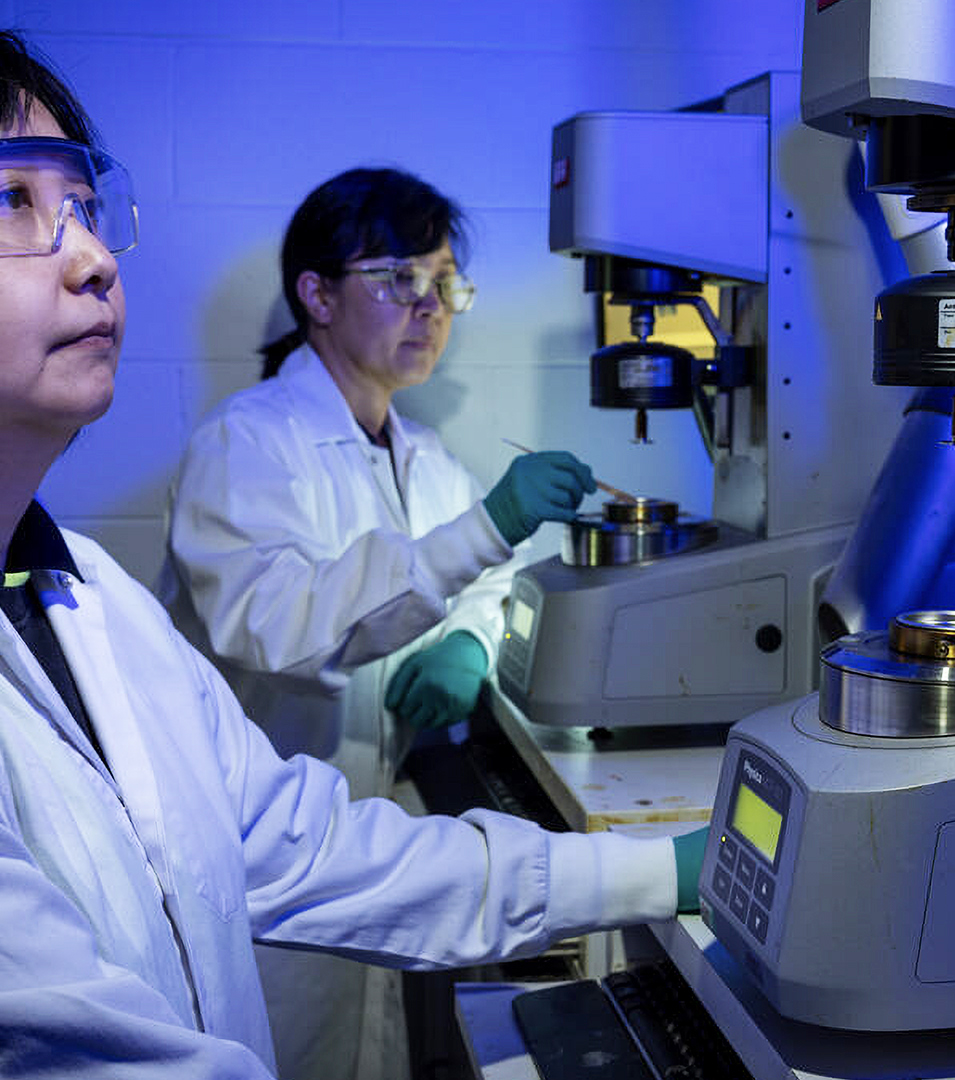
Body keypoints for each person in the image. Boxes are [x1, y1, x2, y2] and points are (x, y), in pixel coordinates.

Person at [0, 25, 700, 1079]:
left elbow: (312, 849)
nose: (94, 258)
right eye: (7, 196)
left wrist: (661, 873)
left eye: (86, 206)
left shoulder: (74, 591)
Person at [156, 167, 604, 1079]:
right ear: (315, 294)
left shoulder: (421, 455)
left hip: (369, 841)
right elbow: (278, 625)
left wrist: (472, 642)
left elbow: (487, 580)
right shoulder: (246, 444)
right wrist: (486, 529)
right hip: (260, 860)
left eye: (444, 284)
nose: (430, 307)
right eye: (399, 279)